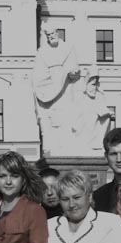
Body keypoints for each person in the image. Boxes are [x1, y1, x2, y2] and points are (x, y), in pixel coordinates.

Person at [33, 25, 83, 157]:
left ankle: (66, 148)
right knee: (51, 121)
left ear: (57, 33)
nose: (51, 37)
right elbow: (38, 74)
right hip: (49, 89)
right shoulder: (42, 52)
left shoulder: (68, 48)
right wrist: (48, 84)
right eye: (48, 35)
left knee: (66, 117)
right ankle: (52, 149)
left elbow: (75, 68)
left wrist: (73, 73)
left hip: (66, 88)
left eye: (52, 34)